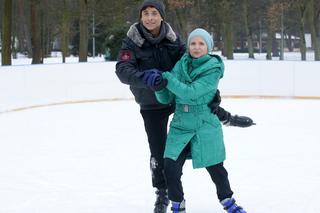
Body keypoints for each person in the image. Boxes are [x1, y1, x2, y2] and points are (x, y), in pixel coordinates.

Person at [115, 1, 254, 212]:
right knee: (159, 152)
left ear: (161, 16)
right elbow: (123, 70)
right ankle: (162, 194)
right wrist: (147, 79)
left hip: (180, 100)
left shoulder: (173, 39)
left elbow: (191, 64)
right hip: (152, 101)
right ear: (140, 17)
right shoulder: (132, 41)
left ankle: (222, 196)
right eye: (146, 13)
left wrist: (212, 94)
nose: (150, 17)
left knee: (207, 154)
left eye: (154, 13)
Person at [146, 28, 247, 213]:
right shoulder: (181, 64)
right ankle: (178, 204)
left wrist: (166, 77)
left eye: (201, 44)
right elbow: (166, 98)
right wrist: (159, 87)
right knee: (170, 168)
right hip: (180, 124)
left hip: (205, 124)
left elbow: (190, 93)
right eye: (193, 43)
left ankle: (228, 201)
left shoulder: (213, 69)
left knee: (216, 169)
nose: (196, 47)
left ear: (208, 47)